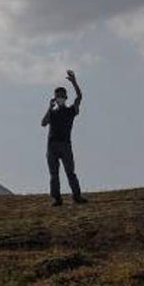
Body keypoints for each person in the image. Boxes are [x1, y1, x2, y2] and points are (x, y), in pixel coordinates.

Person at [41, 69, 88, 206]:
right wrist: (49, 108)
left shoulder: (70, 111)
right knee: (54, 174)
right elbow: (43, 123)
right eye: (57, 96)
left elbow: (79, 97)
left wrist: (74, 82)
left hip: (65, 145)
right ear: (55, 99)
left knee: (70, 172)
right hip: (52, 145)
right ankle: (57, 199)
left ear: (65, 98)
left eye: (61, 96)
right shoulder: (53, 113)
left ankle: (77, 196)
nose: (59, 98)